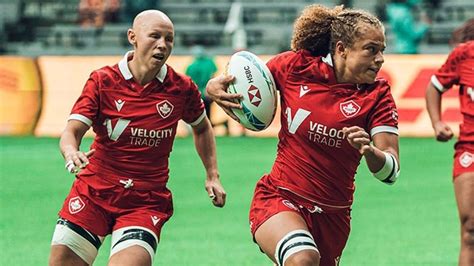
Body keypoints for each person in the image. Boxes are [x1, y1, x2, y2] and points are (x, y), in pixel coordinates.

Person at [207, 4, 400, 266]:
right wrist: (214, 85)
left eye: (382, 51)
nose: (380, 59)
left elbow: (390, 172)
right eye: (371, 50)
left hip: (334, 216)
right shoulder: (295, 67)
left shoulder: (378, 96)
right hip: (279, 197)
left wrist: (370, 152)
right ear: (341, 49)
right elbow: (247, 82)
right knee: (302, 259)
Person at [48, 10, 226, 266]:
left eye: (169, 39)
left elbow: (202, 127)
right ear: (132, 37)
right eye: (154, 36)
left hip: (145, 201)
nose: (163, 44)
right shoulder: (103, 80)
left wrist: (213, 174)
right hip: (94, 191)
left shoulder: (181, 88)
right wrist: (71, 151)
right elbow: (71, 131)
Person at [425, 19, 474, 266]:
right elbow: (434, 87)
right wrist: (437, 122)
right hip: (470, 149)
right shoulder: (464, 55)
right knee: (470, 229)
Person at [185, 45, 218, 120]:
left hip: (197, 95)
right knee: (208, 116)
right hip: (208, 93)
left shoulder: (191, 67)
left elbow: (190, 82)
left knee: (199, 118)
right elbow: (213, 77)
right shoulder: (210, 62)